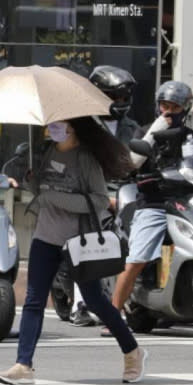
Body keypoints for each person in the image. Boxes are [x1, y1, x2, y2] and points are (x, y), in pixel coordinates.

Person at [0, 117, 146, 385]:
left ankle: (132, 351)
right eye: (51, 124)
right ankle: (23, 365)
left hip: (78, 243)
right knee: (33, 301)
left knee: (96, 301)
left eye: (59, 124)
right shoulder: (46, 150)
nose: (53, 128)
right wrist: (32, 181)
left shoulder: (85, 158)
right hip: (45, 237)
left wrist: (56, 198)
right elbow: (42, 191)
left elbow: (99, 200)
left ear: (73, 126)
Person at [110, 81, 193, 335]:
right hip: (154, 203)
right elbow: (131, 163)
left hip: (185, 202)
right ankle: (112, 315)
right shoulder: (145, 132)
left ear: (185, 108)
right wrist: (154, 132)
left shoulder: (190, 136)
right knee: (137, 259)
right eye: (164, 105)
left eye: (174, 107)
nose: (168, 111)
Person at [64, 65, 139, 328]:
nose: (118, 103)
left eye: (122, 98)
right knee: (84, 238)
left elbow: (139, 161)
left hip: (126, 193)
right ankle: (80, 304)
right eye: (111, 96)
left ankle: (134, 298)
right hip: (89, 193)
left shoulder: (134, 128)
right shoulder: (80, 127)